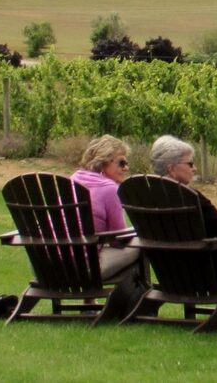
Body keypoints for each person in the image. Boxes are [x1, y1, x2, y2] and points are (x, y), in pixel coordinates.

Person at [150, 135, 217, 330]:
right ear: (171, 168)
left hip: (169, 274)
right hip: (207, 274)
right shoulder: (191, 198)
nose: (194, 168)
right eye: (190, 164)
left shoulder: (144, 197)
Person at [70, 135, 143, 315]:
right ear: (103, 163)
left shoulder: (73, 180)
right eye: (121, 163)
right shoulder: (110, 189)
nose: (126, 168)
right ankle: (134, 304)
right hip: (84, 270)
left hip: (48, 265)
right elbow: (119, 239)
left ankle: (89, 303)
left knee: (91, 244)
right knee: (140, 246)